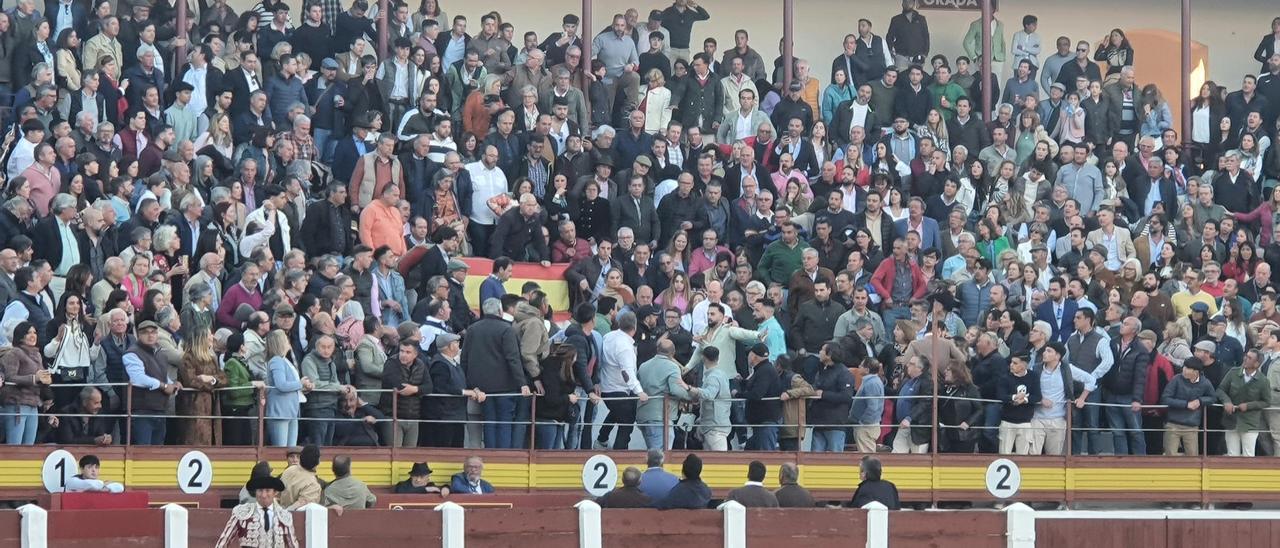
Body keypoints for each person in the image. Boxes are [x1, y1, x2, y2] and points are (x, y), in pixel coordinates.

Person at [215, 474, 299, 548]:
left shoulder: (284, 516)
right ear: (255, 492)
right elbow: (224, 541)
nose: (263, 495)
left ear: (275, 492)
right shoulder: (243, 512)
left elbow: (293, 545)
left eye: (267, 491)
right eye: (260, 490)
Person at [279, 445, 322, 510]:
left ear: (301, 458)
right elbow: (299, 507)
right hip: (294, 517)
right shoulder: (313, 484)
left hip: (281, 510)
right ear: (318, 462)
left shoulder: (289, 470)